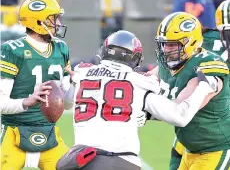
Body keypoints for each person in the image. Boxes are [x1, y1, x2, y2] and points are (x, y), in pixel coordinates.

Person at [56, 30, 217, 170]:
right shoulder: (139, 82)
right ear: (135, 58)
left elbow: (68, 103)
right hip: (121, 161)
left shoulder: (82, 73)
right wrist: (204, 87)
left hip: (81, 160)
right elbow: (180, 117)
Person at [149, 11, 230, 170]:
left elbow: (180, 108)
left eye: (172, 44)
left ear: (190, 42)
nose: (166, 49)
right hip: (189, 146)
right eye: (164, 44)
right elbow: (146, 80)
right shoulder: (168, 63)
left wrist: (147, 111)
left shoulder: (207, 65)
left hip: (215, 148)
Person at [0, 0, 73, 170]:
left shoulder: (61, 49)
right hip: (14, 133)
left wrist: (76, 84)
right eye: (54, 18)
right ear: (38, 22)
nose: (58, 23)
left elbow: (68, 105)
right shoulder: (13, 50)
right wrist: (27, 101)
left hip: (49, 133)